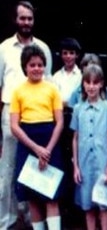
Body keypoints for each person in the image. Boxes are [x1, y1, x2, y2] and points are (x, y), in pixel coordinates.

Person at [0, 1, 52, 229]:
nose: (26, 22)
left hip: (37, 115)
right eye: (22, 18)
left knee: (35, 166)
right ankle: (7, 221)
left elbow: (48, 85)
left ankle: (35, 221)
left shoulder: (43, 48)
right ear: (15, 20)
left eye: (30, 18)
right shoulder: (3, 48)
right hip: (11, 112)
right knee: (8, 170)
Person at [10, 45, 63, 230]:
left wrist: (47, 149)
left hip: (50, 142)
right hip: (28, 143)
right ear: (25, 66)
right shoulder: (17, 91)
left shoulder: (52, 89)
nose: (36, 69)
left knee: (51, 195)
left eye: (40, 65)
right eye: (32, 65)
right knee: (32, 197)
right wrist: (36, 149)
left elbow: (60, 123)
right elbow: (14, 126)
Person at [71, 64, 107, 230]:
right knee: (88, 203)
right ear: (83, 84)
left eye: (95, 83)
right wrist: (76, 166)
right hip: (84, 163)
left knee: (104, 203)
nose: (91, 86)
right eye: (88, 82)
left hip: (103, 161)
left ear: (101, 84)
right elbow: (75, 138)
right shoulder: (78, 109)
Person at [51, 37, 82, 107]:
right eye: (65, 53)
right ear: (61, 55)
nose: (68, 56)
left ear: (77, 55)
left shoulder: (81, 75)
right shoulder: (56, 76)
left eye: (71, 53)